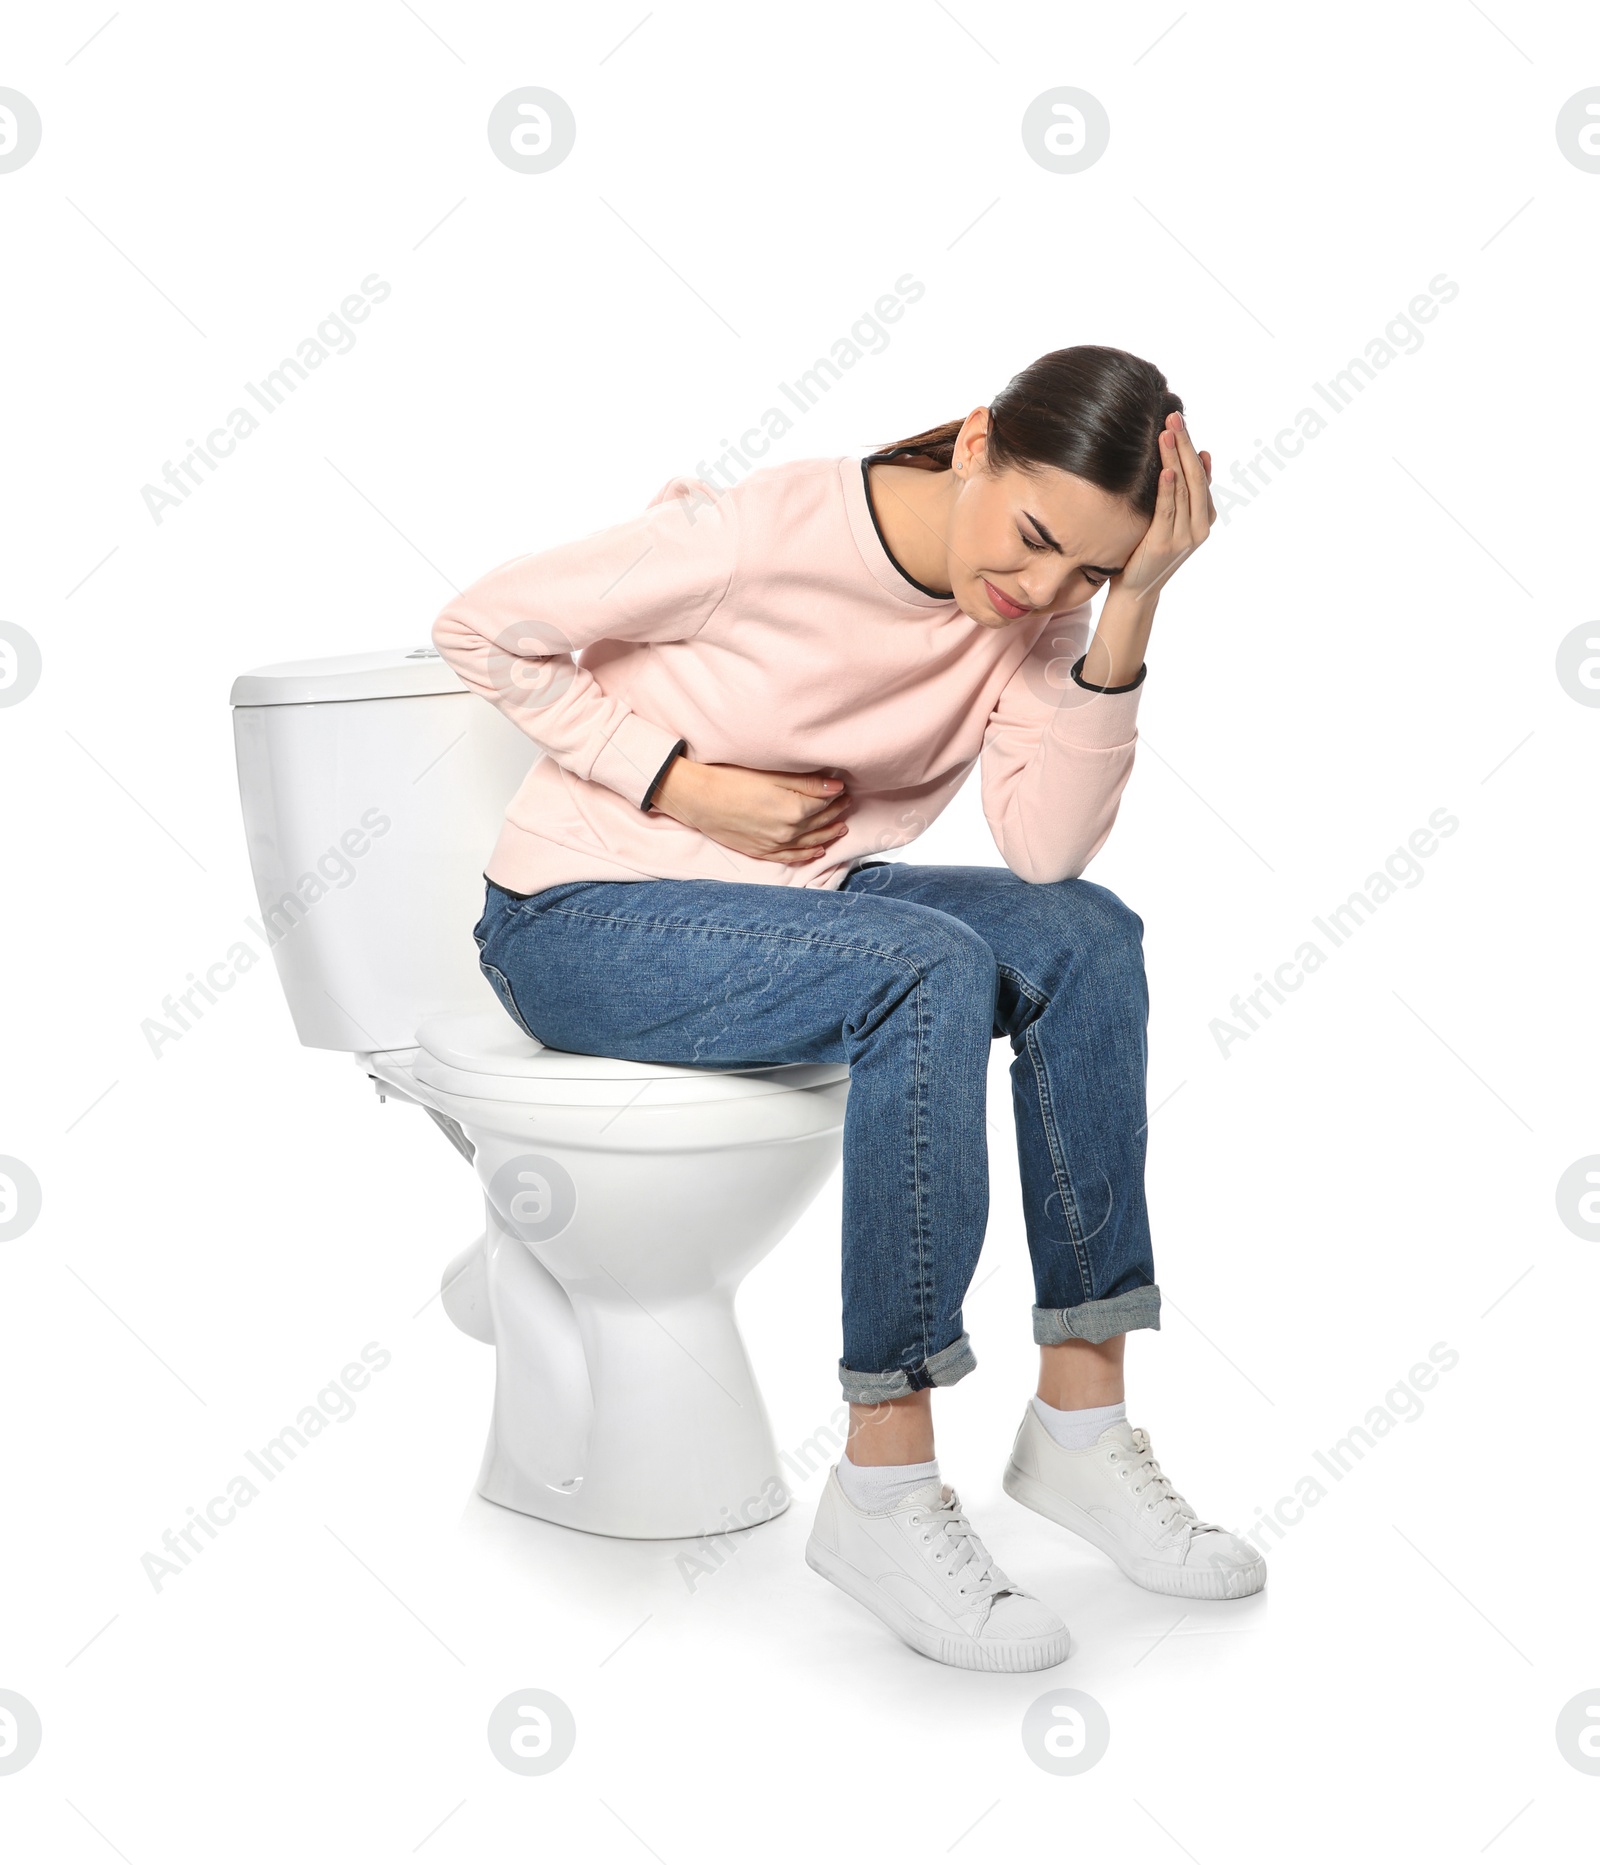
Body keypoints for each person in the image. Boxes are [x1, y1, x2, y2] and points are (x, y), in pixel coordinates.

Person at [432, 345, 1265, 1673]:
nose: (1039, 587)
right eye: (1040, 537)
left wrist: (1132, 612)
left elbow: (1047, 851)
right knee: (924, 963)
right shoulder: (767, 533)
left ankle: (1083, 1424)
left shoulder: (1039, 616)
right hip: (575, 915)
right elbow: (479, 623)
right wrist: (677, 779)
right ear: (979, 440)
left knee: (1084, 937)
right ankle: (882, 1483)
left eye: (1087, 571)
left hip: (799, 906)